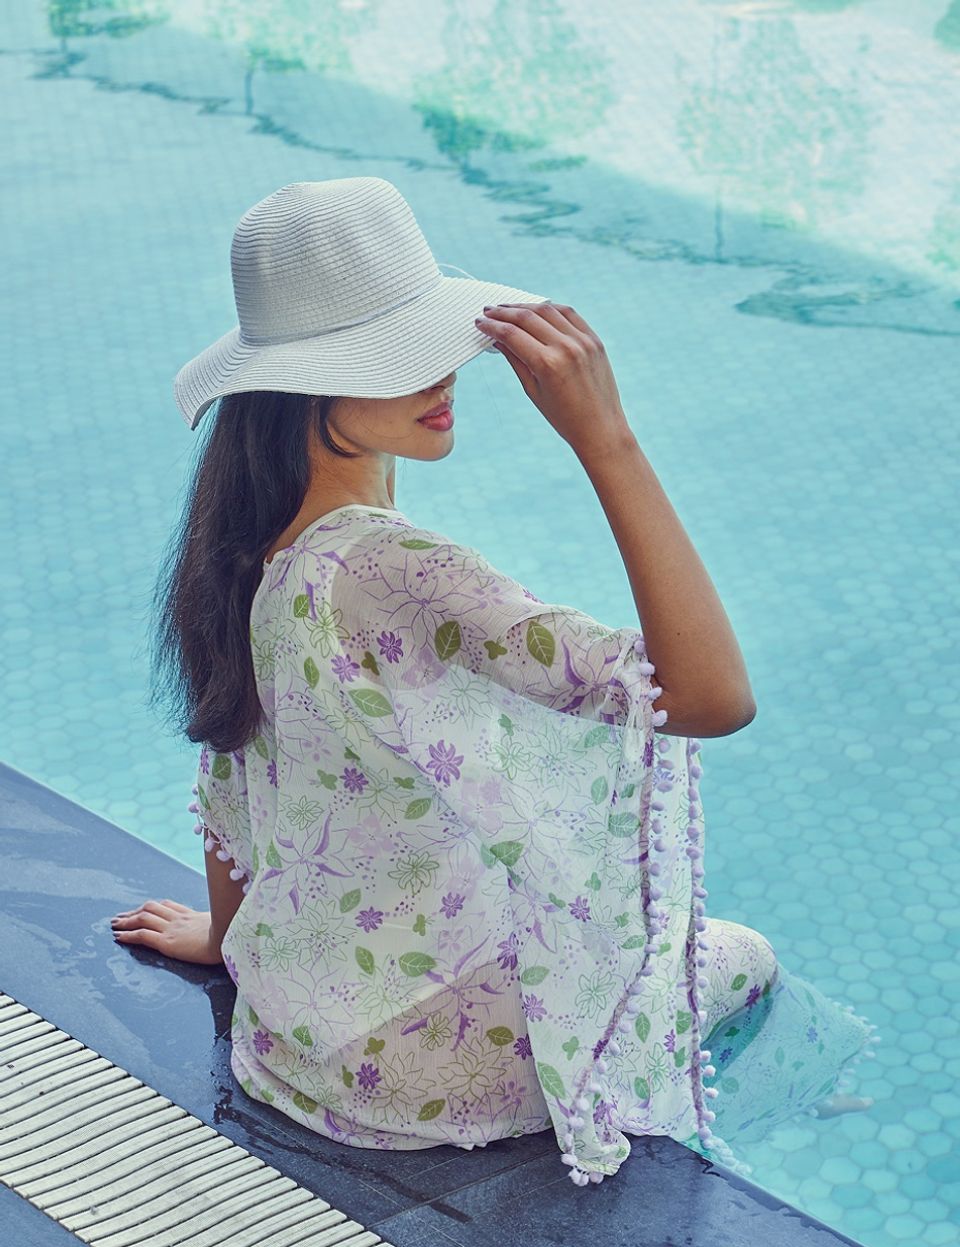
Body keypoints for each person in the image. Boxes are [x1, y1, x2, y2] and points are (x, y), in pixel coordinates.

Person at [114, 178, 877, 1187]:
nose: (443, 375)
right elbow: (708, 698)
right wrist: (606, 439)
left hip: (291, 1039)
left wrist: (226, 938)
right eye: (395, 357)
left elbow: (232, 766)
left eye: (434, 343)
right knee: (744, 957)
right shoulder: (394, 574)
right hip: (425, 1078)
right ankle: (817, 1112)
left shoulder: (244, 549)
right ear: (304, 385)